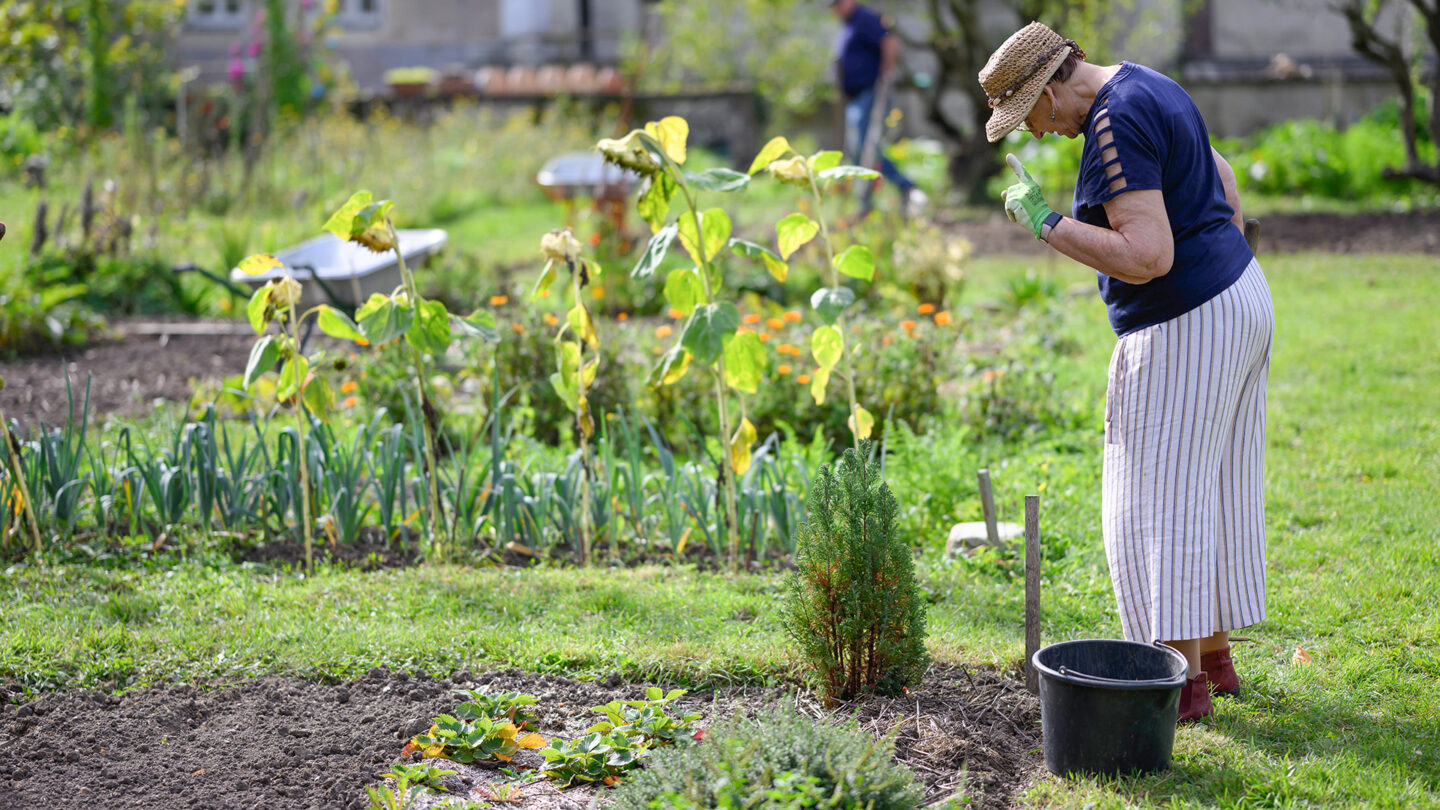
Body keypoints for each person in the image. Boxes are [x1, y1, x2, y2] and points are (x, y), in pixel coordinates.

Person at [978, 22, 1273, 722]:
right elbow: (1225, 185)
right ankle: (1216, 661)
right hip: (1237, 301)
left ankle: (1177, 693)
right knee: (1211, 489)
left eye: (1033, 117)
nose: (1042, 134)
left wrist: (1045, 222)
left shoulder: (1111, 125)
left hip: (1184, 323)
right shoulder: (1149, 84)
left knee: (1158, 503)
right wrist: (1220, 268)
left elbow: (1146, 257)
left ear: (1053, 87)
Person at [829, 0, 926, 217]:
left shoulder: (864, 18)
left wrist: (885, 75)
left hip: (870, 93)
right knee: (858, 150)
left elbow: (889, 42)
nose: (835, 8)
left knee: (866, 147)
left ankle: (905, 187)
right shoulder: (849, 24)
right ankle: (865, 203)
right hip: (855, 97)